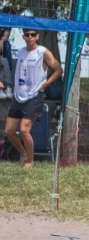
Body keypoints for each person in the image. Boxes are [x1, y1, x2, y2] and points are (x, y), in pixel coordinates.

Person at [4, 28, 62, 168]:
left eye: (33, 35)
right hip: (19, 96)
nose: (30, 37)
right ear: (24, 37)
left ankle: (29, 161)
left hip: (35, 95)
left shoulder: (42, 52)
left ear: (37, 36)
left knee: (24, 130)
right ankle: (23, 153)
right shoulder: (21, 52)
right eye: (27, 35)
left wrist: (46, 84)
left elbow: (59, 70)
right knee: (9, 131)